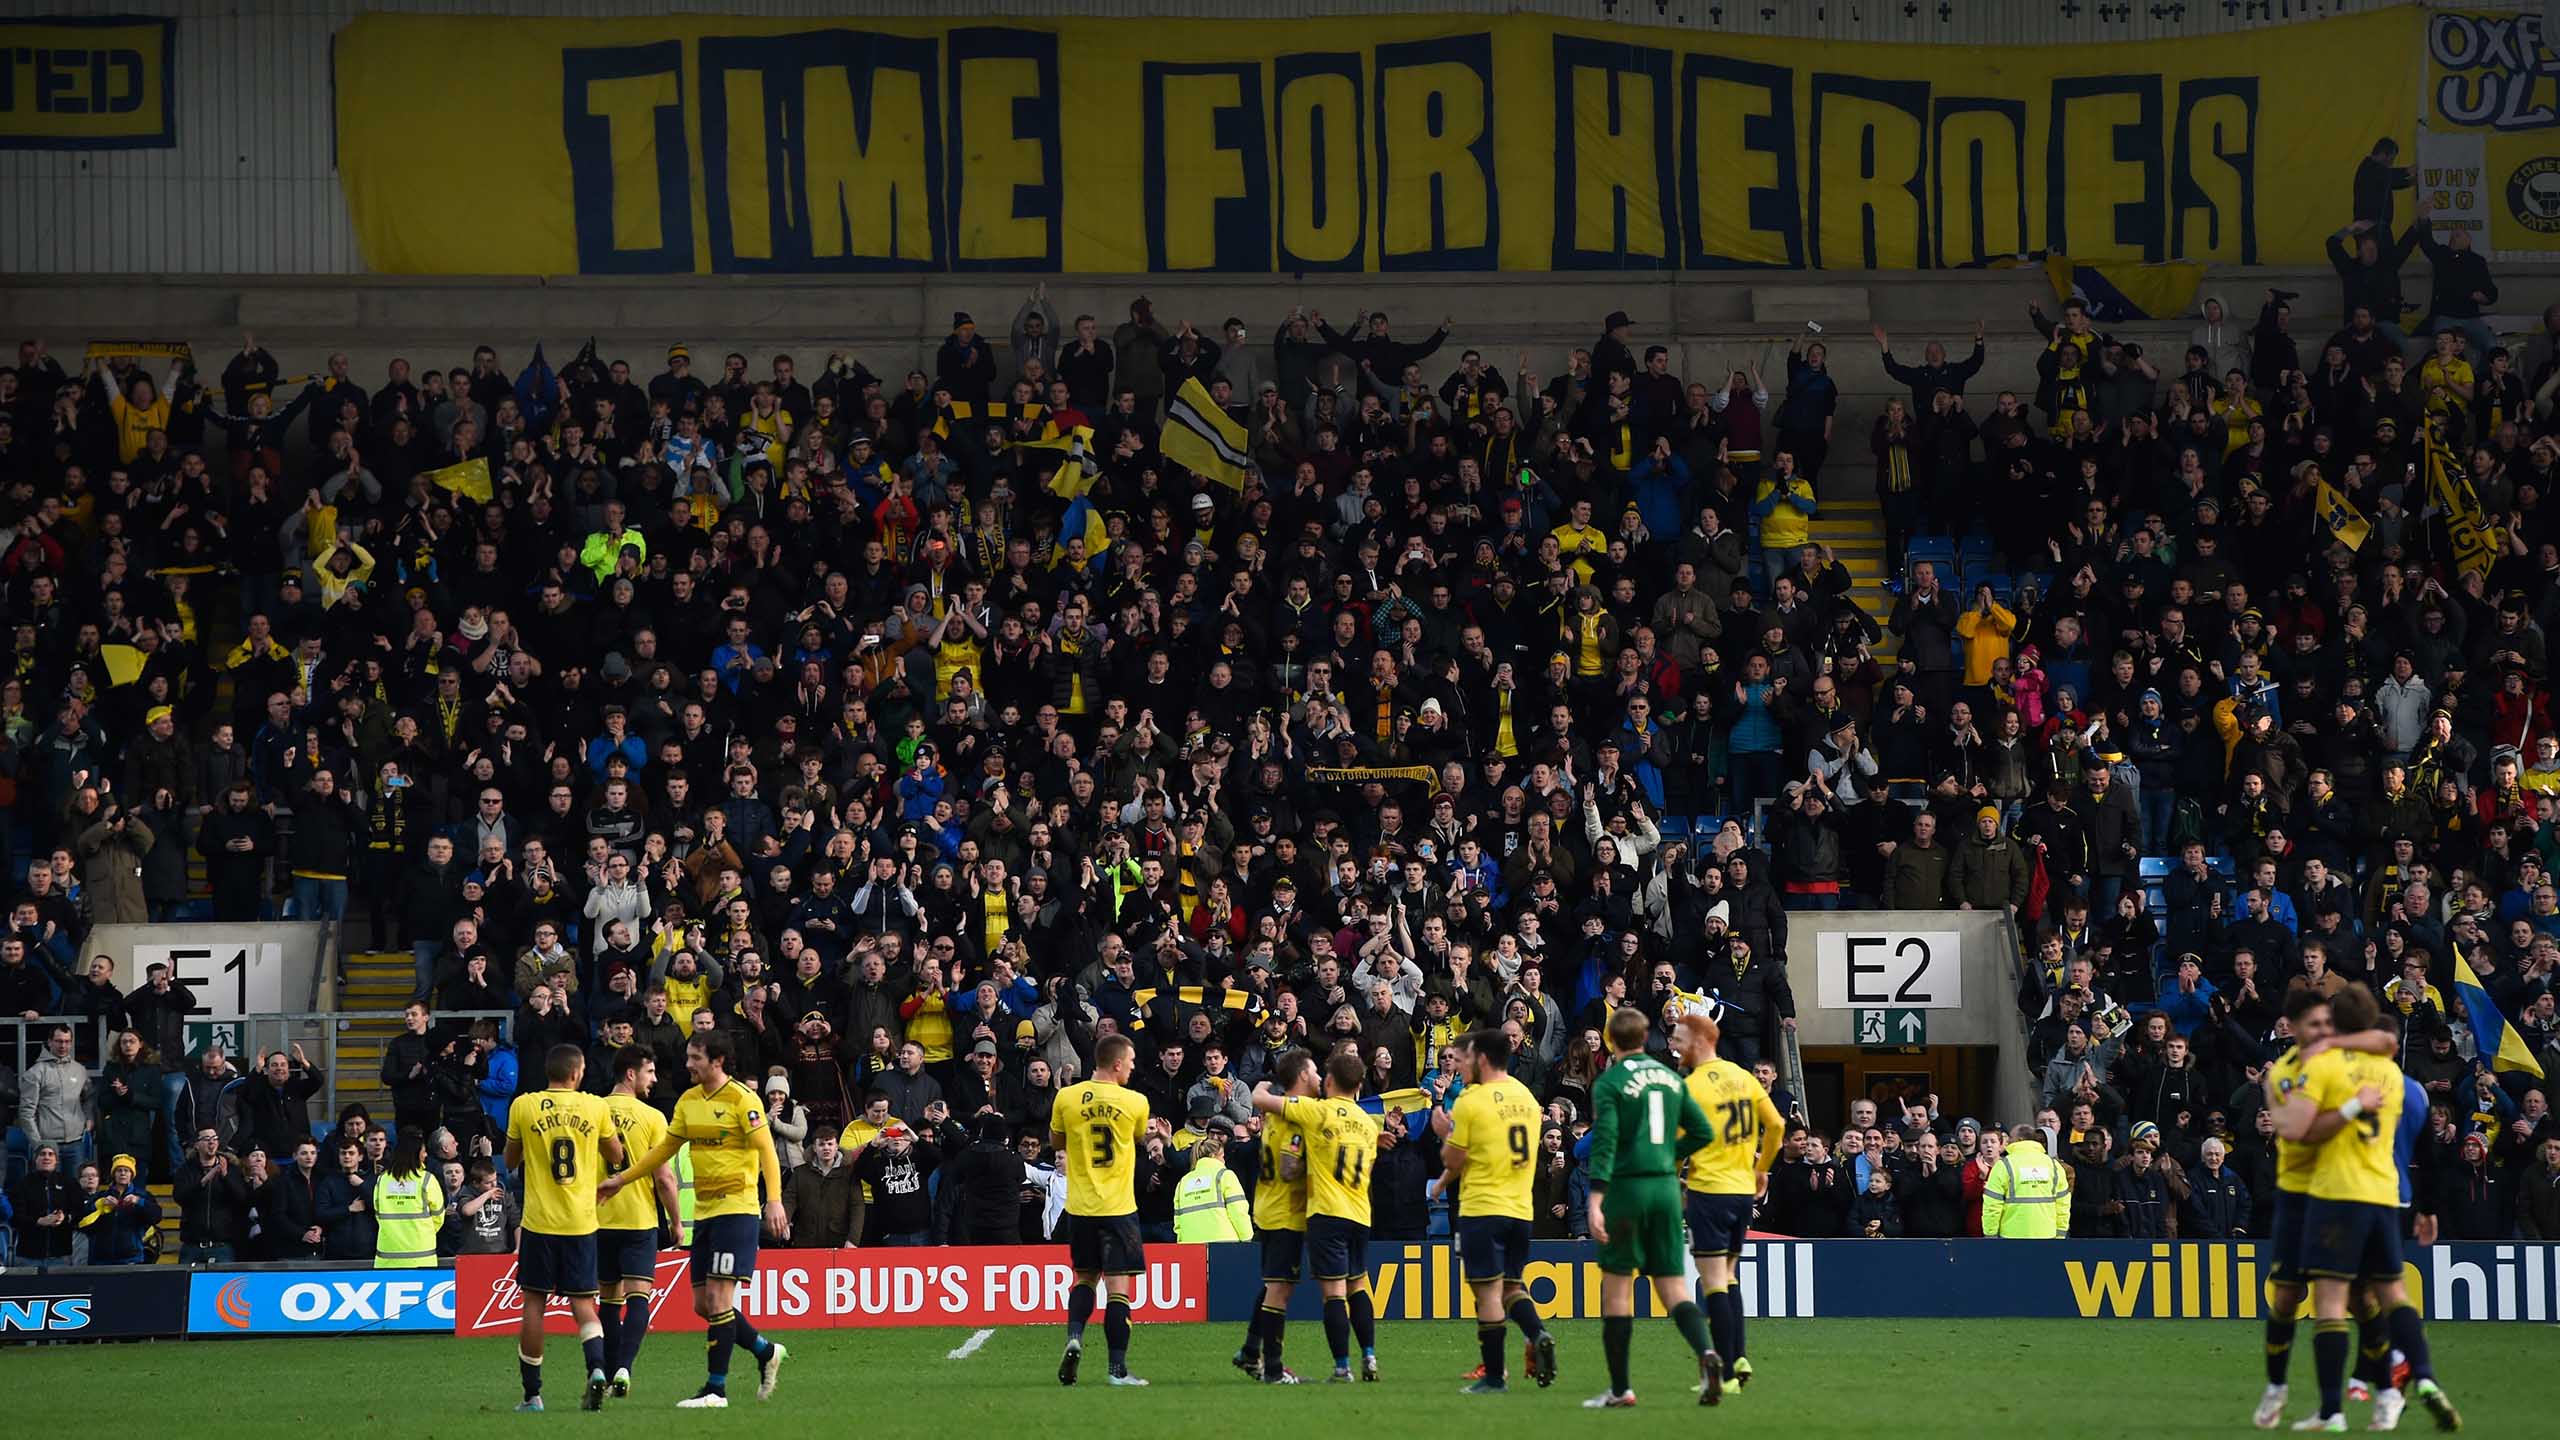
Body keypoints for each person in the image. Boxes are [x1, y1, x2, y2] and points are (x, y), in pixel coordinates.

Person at [2274, 984, 2458, 1434]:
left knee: (2332, 1303)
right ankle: (2424, 1378)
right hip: (2387, 1195)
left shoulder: (2325, 1067)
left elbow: (2301, 1131)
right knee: (2393, 1294)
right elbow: (2388, 1045)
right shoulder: (2397, 1080)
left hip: (2337, 1193)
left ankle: (2332, 1411)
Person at [602, 1031, 789, 1409]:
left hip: (737, 1210)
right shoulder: (688, 1101)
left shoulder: (742, 1099)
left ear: (717, 1060)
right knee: (703, 1305)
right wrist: (620, 1179)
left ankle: (715, 1390)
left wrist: (774, 1201)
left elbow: (767, 1150)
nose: (687, 1064)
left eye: (694, 1057)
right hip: (703, 1213)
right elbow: (664, 1151)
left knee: (720, 1299)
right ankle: (766, 1351)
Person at [1580, 1007, 1717, 1409]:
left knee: (1618, 1291)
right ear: (1645, 1038)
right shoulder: (1673, 1078)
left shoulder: (1610, 1081)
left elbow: (1605, 1139)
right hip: (1665, 1188)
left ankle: (1621, 1390)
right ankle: (1707, 1352)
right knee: (1673, 1287)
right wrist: (1665, 1154)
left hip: (1627, 1188)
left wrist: (1596, 1196)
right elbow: (1703, 1131)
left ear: (1610, 1039)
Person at [500, 1043, 626, 1413]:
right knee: (584, 1305)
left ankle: (532, 1395)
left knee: (534, 1305)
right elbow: (616, 1156)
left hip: (540, 1223)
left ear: (548, 1072)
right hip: (582, 1221)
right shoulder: (595, 1106)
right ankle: (597, 1369)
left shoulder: (524, 1105)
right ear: (576, 1072)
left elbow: (510, 1160)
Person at [1436, 1026, 1557, 1395]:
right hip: (1521, 1209)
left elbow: (1453, 1158)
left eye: (1469, 1058)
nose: (1464, 1064)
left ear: (1483, 1059)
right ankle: (1538, 1333)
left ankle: (1494, 1376)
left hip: (1483, 1207)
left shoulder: (1473, 1101)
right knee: (1511, 1286)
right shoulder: (1526, 1096)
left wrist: (1444, 1132)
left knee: (1486, 1294)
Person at [1252, 1048, 1382, 1385]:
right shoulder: (1369, 1126)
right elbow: (1368, 1168)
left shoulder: (1317, 1111)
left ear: (1329, 1080)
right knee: (1359, 1286)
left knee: (1333, 1294)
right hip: (1361, 1213)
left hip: (1327, 1210)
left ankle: (1342, 1368)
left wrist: (1261, 1090)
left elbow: (1288, 1161)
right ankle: (1369, 1356)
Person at [1673, 1010, 1784, 1394]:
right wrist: (1762, 1168)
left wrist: (1671, 1179)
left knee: (1713, 1281)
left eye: (1680, 1039)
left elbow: (1677, 1144)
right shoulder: (1744, 1077)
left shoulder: (1690, 1087)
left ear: (1701, 1041)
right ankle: (1738, 1356)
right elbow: (1778, 1126)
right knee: (1729, 1275)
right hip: (1740, 1192)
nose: (1675, 1046)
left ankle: (1725, 1374)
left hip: (1708, 1190)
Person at [1050, 1031, 1152, 1387]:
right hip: (1119, 1207)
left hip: (1080, 1208)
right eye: (1132, 1062)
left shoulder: (1066, 1097)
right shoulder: (1136, 1102)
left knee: (1084, 1278)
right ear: (1118, 1063)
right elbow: (1138, 1138)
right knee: (1119, 1289)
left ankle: (1075, 1336)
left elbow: (1056, 1141)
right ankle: (1117, 1371)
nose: (1134, 1068)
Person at [598, 1046, 682, 1397]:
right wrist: (677, 1221)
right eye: (650, 1072)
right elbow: (664, 1178)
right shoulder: (652, 1117)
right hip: (637, 1220)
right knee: (638, 1299)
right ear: (631, 1074)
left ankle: (605, 1368)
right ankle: (624, 1368)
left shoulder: (593, 1110)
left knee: (608, 1302)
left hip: (597, 1220)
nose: (655, 1079)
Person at [1231, 1048, 1313, 1384]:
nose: (1320, 1077)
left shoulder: (1274, 1114)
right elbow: (1290, 1166)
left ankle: (1251, 1350)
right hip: (1285, 1213)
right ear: (1304, 1077)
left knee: (1272, 1286)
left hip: (1267, 1208)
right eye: (1314, 1072)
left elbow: (1260, 1096)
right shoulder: (1296, 1117)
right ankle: (1274, 1370)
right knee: (1280, 1290)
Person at [1979, 1122, 2071, 1238]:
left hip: (2011, 1238)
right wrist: (2060, 1235)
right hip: (2047, 1237)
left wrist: (1990, 1235)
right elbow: (2063, 1205)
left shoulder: (2004, 1165)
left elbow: (1992, 1206)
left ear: (2020, 1140)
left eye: (2011, 1138)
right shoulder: (2053, 1165)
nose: (2007, 1141)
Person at [371, 1128, 445, 1269]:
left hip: (388, 1256)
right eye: (423, 1151)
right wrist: (425, 1231)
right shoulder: (427, 1179)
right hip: (422, 1257)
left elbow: (378, 1213)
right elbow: (438, 1216)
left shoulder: (382, 1180)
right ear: (416, 1154)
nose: (426, 1155)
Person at [1169, 1122, 1251, 1242]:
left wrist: (1182, 1242)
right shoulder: (1225, 1175)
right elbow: (1238, 1211)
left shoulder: (1183, 1182)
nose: (1224, 1160)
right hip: (1225, 1245)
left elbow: (1178, 1222)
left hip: (1191, 1246)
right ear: (1213, 1155)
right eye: (1222, 1156)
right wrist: (1247, 1238)